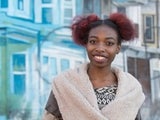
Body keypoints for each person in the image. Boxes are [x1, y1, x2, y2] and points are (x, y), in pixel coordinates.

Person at [42, 12, 145, 120]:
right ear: (86, 44)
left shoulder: (130, 89)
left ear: (118, 48)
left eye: (109, 43)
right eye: (93, 41)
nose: (100, 48)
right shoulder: (65, 84)